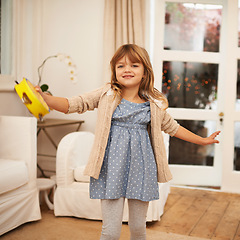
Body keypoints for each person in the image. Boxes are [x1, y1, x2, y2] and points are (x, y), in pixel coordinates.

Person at [36, 44, 220, 240]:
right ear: (114, 72)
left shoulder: (154, 105)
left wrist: (201, 140)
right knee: (110, 231)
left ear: (145, 72)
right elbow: (75, 104)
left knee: (138, 229)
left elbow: (173, 127)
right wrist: (48, 100)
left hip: (142, 170)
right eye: (121, 66)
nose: (127, 70)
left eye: (134, 65)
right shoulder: (107, 94)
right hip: (111, 168)